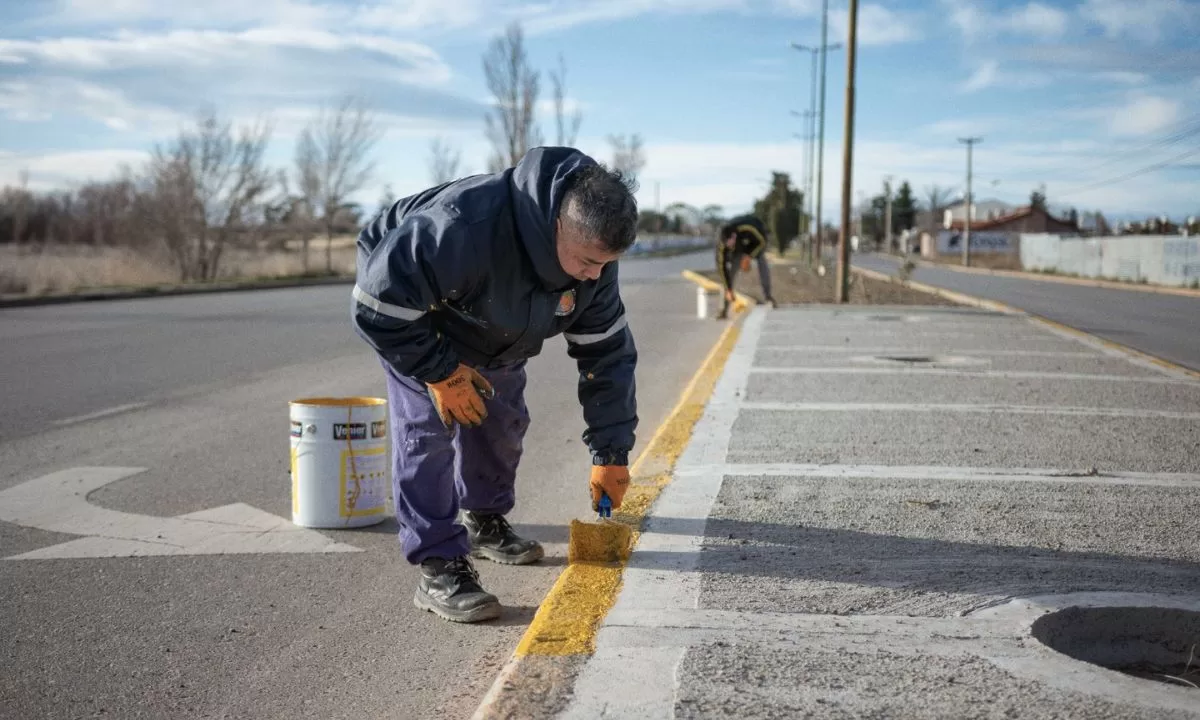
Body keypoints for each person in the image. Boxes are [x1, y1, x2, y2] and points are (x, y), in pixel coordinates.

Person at [351, 147, 639, 624]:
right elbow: (378, 308)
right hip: (415, 317)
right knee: (429, 433)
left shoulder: (595, 260)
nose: (597, 275)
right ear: (557, 227)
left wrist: (611, 453)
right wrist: (440, 372)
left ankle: (484, 520)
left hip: (496, 320)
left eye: (606, 264)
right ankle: (438, 564)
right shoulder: (460, 228)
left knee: (501, 420)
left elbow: (606, 356)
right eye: (588, 261)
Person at [715, 213, 777, 318]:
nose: (729, 246)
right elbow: (722, 268)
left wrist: (748, 256)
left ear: (734, 236)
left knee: (762, 263)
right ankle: (724, 309)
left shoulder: (747, 228)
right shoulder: (722, 245)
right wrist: (728, 289)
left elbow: (762, 242)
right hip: (739, 248)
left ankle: (768, 297)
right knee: (730, 273)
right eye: (727, 245)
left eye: (730, 243)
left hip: (756, 241)